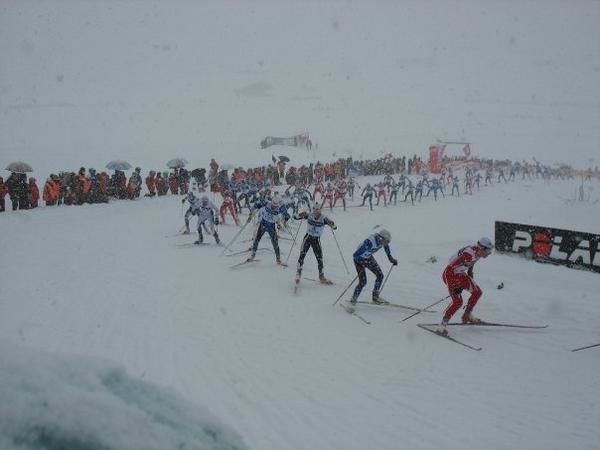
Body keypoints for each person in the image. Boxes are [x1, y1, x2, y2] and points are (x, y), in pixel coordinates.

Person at [437, 237, 493, 335]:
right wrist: (456, 286)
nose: (489, 253)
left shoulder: (477, 253)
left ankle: (467, 315)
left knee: (477, 292)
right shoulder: (468, 255)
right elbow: (450, 267)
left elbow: (471, 263)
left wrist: (470, 275)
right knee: (458, 302)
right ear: (482, 248)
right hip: (450, 275)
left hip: (459, 274)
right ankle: (442, 325)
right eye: (488, 251)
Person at [347, 229, 398, 309]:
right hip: (358, 260)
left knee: (380, 275)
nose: (386, 243)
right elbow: (355, 255)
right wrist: (363, 262)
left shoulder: (382, 241)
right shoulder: (370, 242)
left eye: (388, 242)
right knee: (363, 282)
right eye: (386, 241)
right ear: (381, 238)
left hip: (368, 258)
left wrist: (390, 258)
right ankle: (353, 300)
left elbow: (386, 247)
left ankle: (375, 297)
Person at [293, 203, 336, 284]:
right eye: (315, 210)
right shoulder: (309, 215)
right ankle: (298, 273)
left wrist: (332, 223)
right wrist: (300, 214)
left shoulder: (324, 218)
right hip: (308, 238)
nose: (316, 212)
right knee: (302, 255)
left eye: (318, 210)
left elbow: (335, 227)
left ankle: (321, 276)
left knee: (319, 258)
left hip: (316, 240)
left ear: (320, 210)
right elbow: (295, 217)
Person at [246, 197, 290, 265]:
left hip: (271, 227)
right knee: (256, 239)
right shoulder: (266, 203)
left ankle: (278, 259)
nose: (273, 206)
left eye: (275, 205)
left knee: (275, 243)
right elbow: (256, 205)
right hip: (263, 224)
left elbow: (286, 214)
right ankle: (253, 255)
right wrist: (251, 214)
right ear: (271, 202)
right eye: (273, 204)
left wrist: (286, 217)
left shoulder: (280, 208)